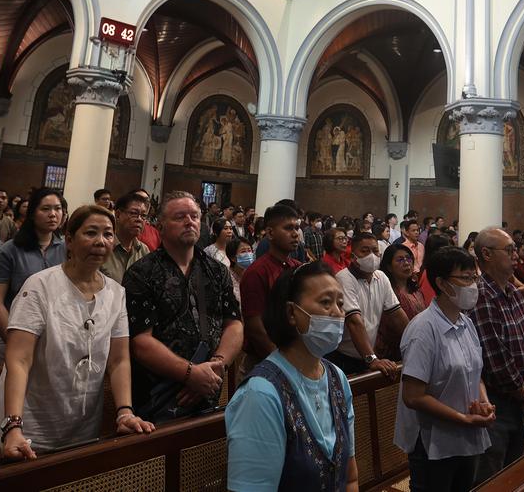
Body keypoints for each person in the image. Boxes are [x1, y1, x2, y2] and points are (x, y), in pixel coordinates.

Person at [0, 205, 153, 458]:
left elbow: (118, 360)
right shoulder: (40, 286)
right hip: (31, 421)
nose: (100, 241)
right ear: (69, 240)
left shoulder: (116, 293)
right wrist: (13, 425)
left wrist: (124, 411)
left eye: (108, 234)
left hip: (83, 422)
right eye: (91, 233)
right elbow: (19, 359)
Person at [226, 261, 358, 491]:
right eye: (325, 302)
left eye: (340, 303)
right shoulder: (260, 395)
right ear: (291, 313)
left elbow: (350, 477)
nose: (338, 313)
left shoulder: (337, 378)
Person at [124, 191, 243, 422]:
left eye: (194, 216)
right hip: (159, 397)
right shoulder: (141, 273)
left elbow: (234, 324)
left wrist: (216, 366)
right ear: (160, 226)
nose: (189, 221)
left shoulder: (217, 270)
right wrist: (190, 374)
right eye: (180, 217)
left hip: (210, 388)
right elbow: (140, 342)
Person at [394, 245, 494, 492]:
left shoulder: (465, 322)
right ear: (441, 283)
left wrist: (484, 403)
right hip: (434, 442)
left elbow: (474, 372)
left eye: (474, 278)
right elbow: (413, 396)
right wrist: (463, 419)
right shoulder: (423, 329)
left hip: (466, 436)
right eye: (466, 278)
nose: (473, 285)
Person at [468, 228, 524, 482]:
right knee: (493, 479)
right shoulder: (481, 296)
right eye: (510, 250)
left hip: (522, 397)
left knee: (514, 475)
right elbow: (496, 362)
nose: (516, 257)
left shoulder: (513, 292)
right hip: (496, 404)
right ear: (487, 254)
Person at [0, 189, 68, 363]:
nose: (53, 214)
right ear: (32, 214)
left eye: (58, 208)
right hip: (14, 334)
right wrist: (15, 340)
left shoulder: (67, 249)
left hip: (55, 337)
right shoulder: (11, 249)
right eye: (45, 209)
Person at [328, 231, 406, 377]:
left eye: (375, 251)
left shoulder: (381, 277)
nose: (371, 256)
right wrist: (372, 359)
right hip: (343, 357)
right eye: (365, 251)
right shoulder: (344, 278)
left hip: (367, 354)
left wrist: (415, 341)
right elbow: (354, 322)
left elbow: (396, 315)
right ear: (353, 257)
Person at [241, 204, 305, 367]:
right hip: (265, 360)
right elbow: (255, 327)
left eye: (297, 228)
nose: (295, 234)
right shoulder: (257, 272)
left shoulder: (298, 267)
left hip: (295, 354)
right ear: (270, 233)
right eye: (288, 228)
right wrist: (281, 362)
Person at [102, 192, 151, 284]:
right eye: (134, 213)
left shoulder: (144, 250)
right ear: (118, 215)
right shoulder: (102, 245)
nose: (139, 219)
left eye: (143, 216)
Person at [381, 243, 428, 320]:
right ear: (389, 267)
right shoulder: (388, 294)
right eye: (400, 260)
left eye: (408, 258)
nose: (406, 263)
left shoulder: (416, 290)